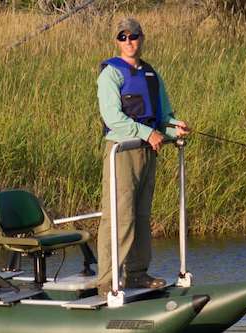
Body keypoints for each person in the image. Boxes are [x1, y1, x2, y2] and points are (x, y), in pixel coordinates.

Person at [95, 18, 191, 296]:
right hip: (121, 152)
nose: (129, 42)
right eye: (123, 37)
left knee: (141, 215)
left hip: (148, 152)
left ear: (142, 38)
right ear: (116, 41)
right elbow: (113, 118)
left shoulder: (151, 75)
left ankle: (137, 274)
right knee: (119, 216)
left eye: (133, 36)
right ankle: (107, 280)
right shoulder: (111, 74)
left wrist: (175, 128)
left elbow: (164, 117)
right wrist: (147, 133)